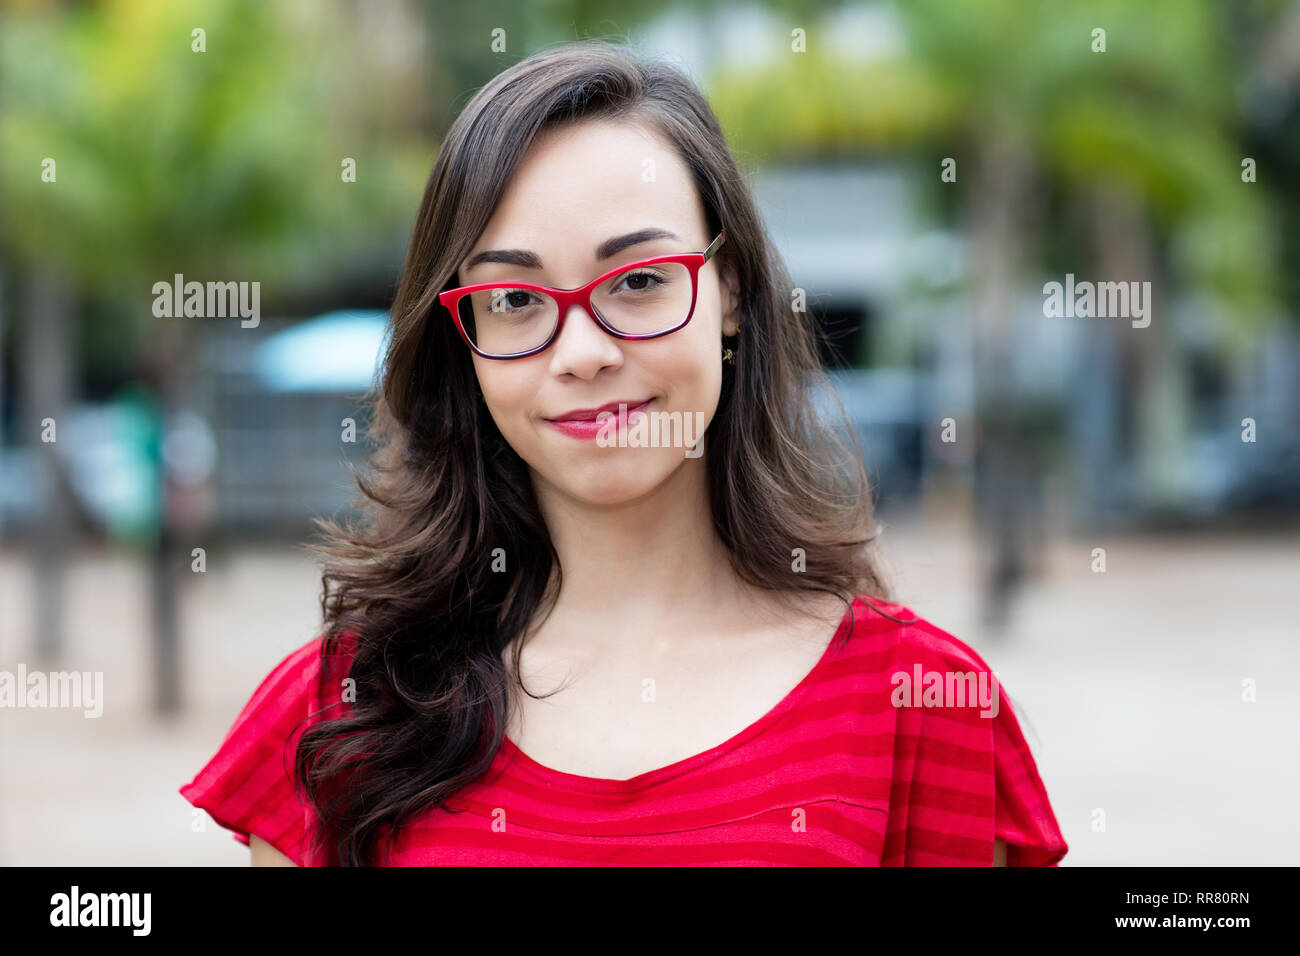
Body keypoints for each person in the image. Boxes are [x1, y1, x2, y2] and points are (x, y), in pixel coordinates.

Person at [179, 39, 1067, 867]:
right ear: (465, 341)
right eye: (516, 300)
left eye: (639, 281)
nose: (582, 351)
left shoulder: (924, 705)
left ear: (731, 291)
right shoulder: (342, 710)